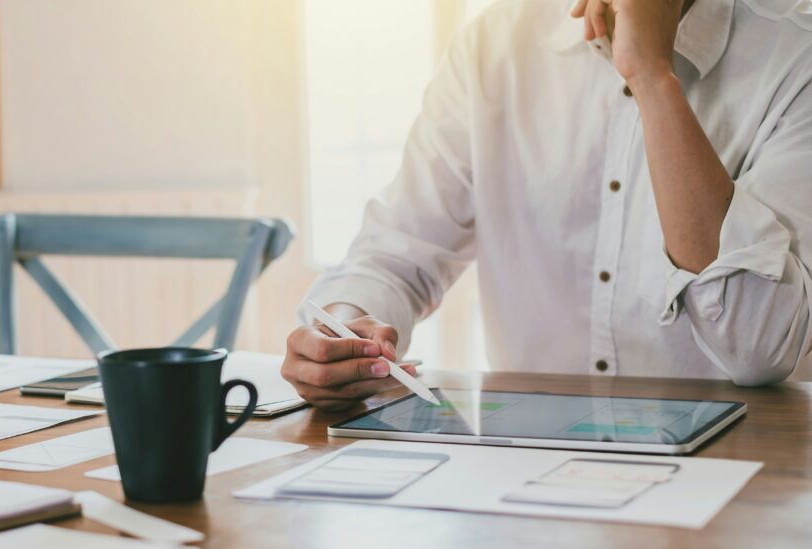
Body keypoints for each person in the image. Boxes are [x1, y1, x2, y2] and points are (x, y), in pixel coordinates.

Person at [282, 0, 812, 410]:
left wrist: (652, 75)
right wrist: (342, 331)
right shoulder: (492, 47)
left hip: (743, 466)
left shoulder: (794, 51)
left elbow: (759, 347)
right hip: (527, 463)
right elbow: (396, 258)